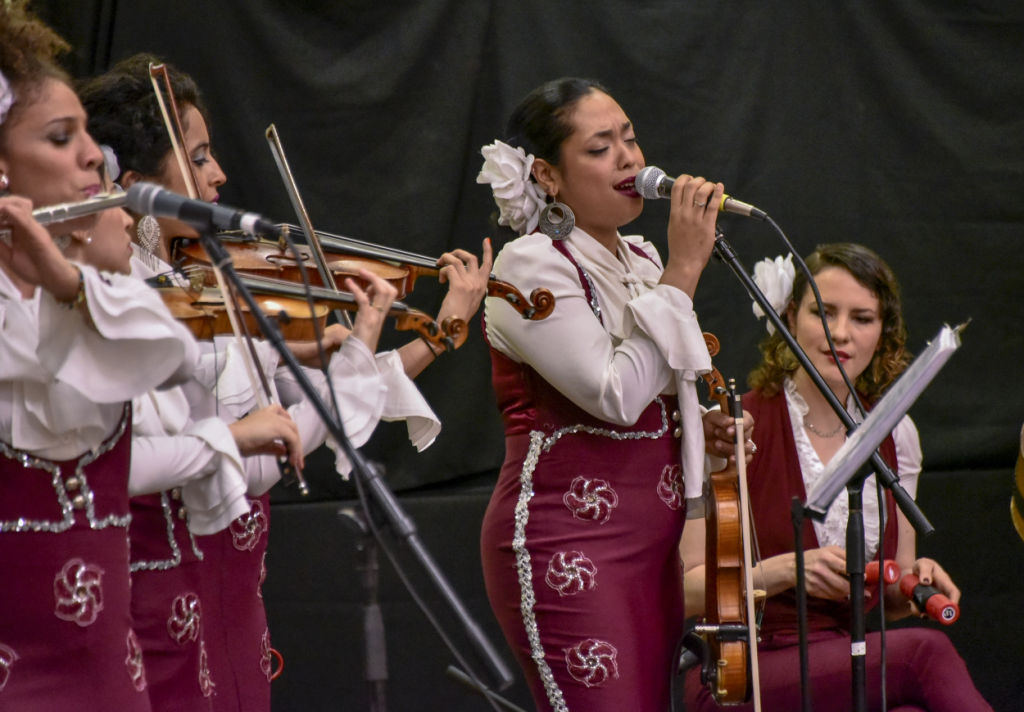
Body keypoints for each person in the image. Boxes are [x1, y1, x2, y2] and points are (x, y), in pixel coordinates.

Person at [79, 53, 491, 712]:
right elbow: (291, 432)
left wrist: (426, 338)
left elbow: (318, 406)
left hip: (234, 593)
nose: (219, 176)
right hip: (167, 600)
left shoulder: (195, 290)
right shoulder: (131, 305)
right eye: (199, 156)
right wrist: (363, 343)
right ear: (136, 189)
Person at [476, 77, 739, 712]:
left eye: (629, 138)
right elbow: (616, 395)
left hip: (653, 549)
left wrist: (704, 429)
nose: (629, 157)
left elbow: (654, 400)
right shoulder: (530, 265)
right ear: (548, 174)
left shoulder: (642, 260)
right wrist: (684, 271)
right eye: (600, 147)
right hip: (568, 543)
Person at [680, 243, 992, 711]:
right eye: (822, 312)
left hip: (848, 663)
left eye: (862, 318)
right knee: (925, 653)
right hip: (742, 669)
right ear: (789, 315)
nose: (839, 333)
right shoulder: (731, 428)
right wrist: (788, 571)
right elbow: (681, 592)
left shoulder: (896, 434)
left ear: (883, 332)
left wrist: (915, 583)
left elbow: (889, 599)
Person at [0, 2, 201, 708]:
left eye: (89, 135)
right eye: (62, 138)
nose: (95, 157)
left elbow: (173, 353)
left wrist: (60, 275)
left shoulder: (102, 299)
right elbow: (22, 356)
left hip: (113, 683)